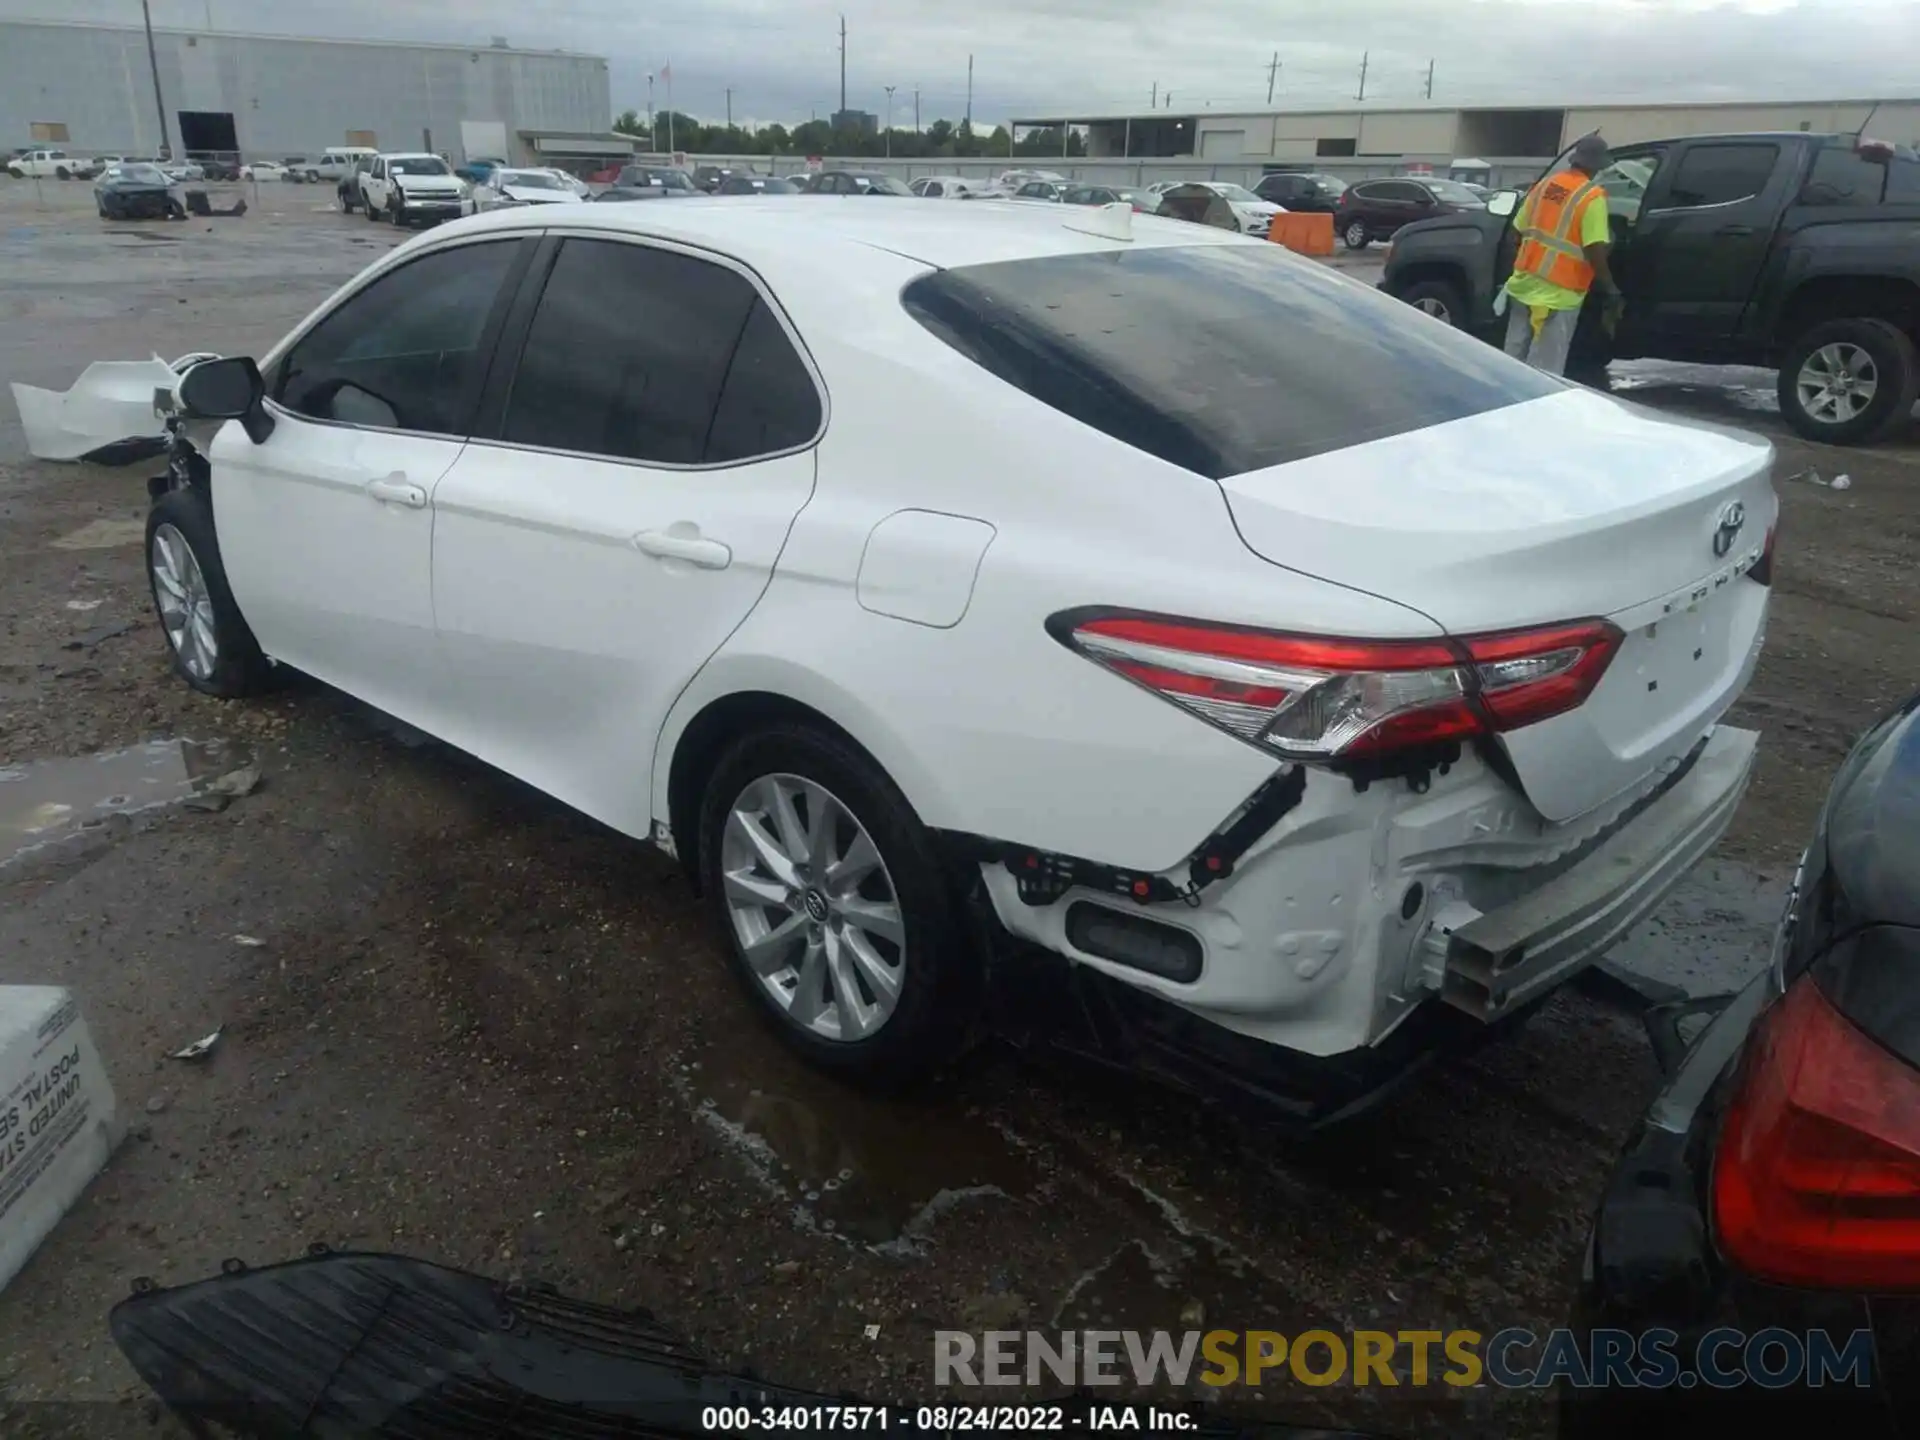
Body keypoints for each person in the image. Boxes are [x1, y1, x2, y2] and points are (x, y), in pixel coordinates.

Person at [1500, 134, 1621, 375]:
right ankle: (1537, 411)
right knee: (1544, 371)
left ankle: (1504, 406)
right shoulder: (1591, 196)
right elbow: (1594, 247)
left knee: (1511, 363)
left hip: (1523, 286)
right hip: (1558, 294)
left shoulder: (1545, 185)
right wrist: (1610, 289)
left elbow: (1515, 233)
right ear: (1596, 166)